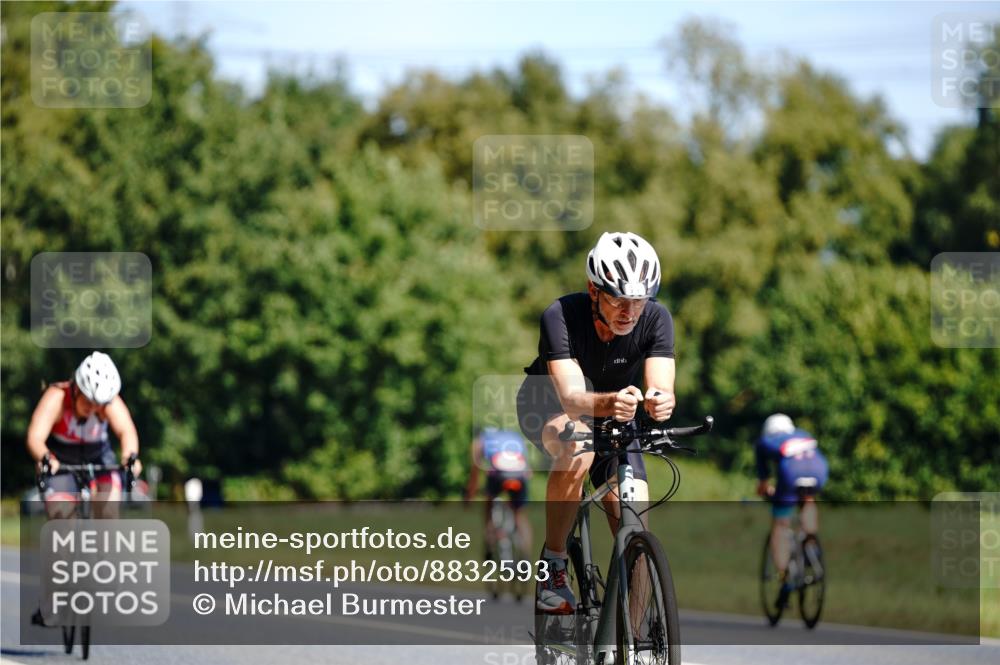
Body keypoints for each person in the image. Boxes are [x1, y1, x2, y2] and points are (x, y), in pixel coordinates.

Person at [516, 231, 676, 614]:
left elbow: (660, 384)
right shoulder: (560, 316)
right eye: (618, 299)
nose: (629, 311)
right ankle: (553, 565)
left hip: (617, 419)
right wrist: (612, 402)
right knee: (579, 445)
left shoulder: (657, 318)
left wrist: (660, 401)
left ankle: (634, 645)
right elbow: (572, 398)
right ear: (593, 290)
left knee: (636, 529)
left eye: (638, 300)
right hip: (550, 406)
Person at [26, 351, 142, 520]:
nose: (93, 408)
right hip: (60, 460)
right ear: (77, 388)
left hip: (99, 456)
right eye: (88, 401)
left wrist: (129, 457)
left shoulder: (109, 402)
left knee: (109, 512)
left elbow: (127, 431)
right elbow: (34, 437)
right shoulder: (57, 397)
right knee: (61, 517)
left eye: (98, 404)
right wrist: (46, 458)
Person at [755, 413, 828, 608]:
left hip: (791, 473)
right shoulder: (802, 433)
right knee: (808, 499)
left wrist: (767, 493)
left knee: (780, 524)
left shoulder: (765, 442)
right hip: (819, 469)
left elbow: (763, 484)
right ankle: (810, 542)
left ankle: (784, 577)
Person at [465, 427, 533, 562]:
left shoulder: (482, 440)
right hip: (520, 474)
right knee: (519, 515)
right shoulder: (515, 436)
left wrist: (470, 496)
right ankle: (525, 556)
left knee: (488, 507)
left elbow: (475, 473)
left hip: (498, 475)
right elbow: (528, 469)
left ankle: (489, 546)